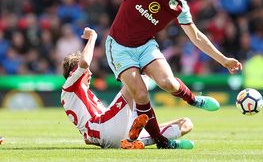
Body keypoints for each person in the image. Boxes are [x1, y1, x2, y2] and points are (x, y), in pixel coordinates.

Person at [103, 0, 242, 149]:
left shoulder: (180, 6)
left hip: (145, 46)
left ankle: (193, 100)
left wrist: (224, 60)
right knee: (141, 94)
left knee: (168, 82)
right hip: (119, 46)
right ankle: (162, 142)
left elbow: (197, 37)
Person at [61, 27, 194, 149]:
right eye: (86, 71)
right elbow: (84, 62)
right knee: (136, 80)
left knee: (186, 123)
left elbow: (88, 140)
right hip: (104, 128)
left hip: (109, 133)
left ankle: (137, 140)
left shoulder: (77, 95)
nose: (90, 73)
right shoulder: (70, 85)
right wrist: (93, 37)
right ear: (74, 72)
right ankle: (139, 122)